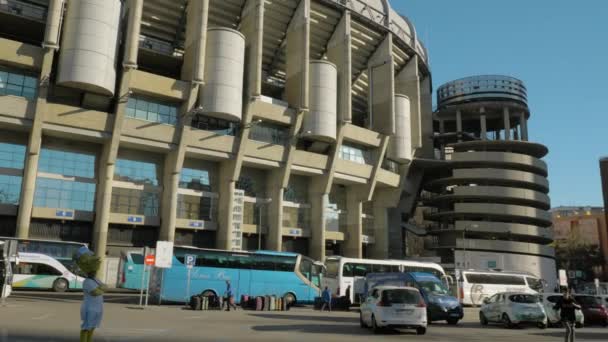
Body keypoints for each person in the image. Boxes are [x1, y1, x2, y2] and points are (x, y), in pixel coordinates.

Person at [74, 246, 107, 342]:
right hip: (90, 308)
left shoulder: (96, 279)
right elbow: (96, 292)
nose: (95, 272)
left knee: (92, 327)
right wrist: (102, 288)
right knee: (86, 328)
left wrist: (102, 288)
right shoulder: (87, 281)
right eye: (93, 270)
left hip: (98, 308)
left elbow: (105, 287)